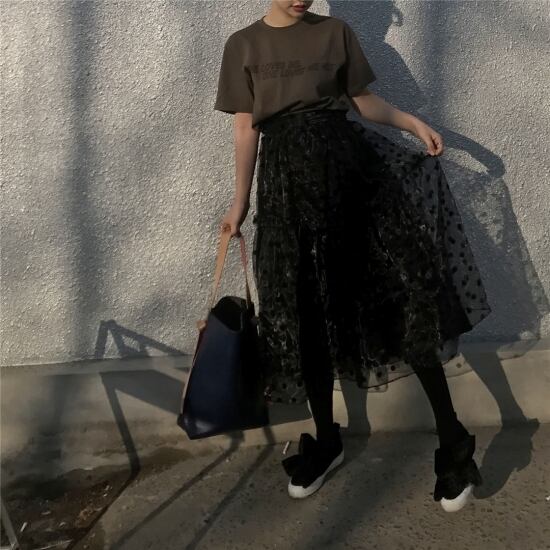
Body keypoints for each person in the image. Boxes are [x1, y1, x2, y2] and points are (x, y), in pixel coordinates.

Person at [213, 1, 491, 511]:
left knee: (400, 300)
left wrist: (412, 123)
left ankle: (453, 443)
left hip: (350, 177)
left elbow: (360, 100)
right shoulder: (243, 46)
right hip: (287, 192)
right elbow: (245, 127)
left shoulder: (335, 32)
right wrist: (240, 202)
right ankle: (326, 439)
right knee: (308, 312)